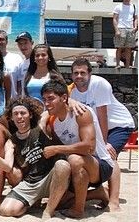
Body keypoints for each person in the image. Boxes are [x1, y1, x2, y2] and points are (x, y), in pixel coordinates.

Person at [0, 97, 70, 219]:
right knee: (6, 210)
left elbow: (50, 110)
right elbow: (7, 166)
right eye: (15, 114)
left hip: (51, 178)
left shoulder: (41, 127)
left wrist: (72, 101)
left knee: (62, 165)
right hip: (31, 182)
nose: (19, 117)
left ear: (30, 115)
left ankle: (49, 210)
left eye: (23, 113)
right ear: (11, 118)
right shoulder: (11, 142)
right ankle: (31, 203)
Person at [70, 58, 135, 212]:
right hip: (98, 128)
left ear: (90, 74)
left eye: (83, 73)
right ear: (72, 75)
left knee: (109, 156)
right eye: (76, 73)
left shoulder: (99, 84)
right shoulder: (73, 92)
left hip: (119, 124)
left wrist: (104, 143)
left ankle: (114, 201)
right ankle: (101, 192)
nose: (79, 76)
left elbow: (102, 116)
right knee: (97, 159)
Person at [41, 80, 114, 218]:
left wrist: (56, 149)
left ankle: (78, 210)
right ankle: (97, 193)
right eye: (44, 99)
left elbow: (89, 148)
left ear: (63, 98)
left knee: (75, 159)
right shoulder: (54, 123)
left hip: (100, 164)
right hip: (78, 165)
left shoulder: (81, 112)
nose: (46, 103)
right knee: (61, 202)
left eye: (51, 99)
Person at [0, 30, 23, 97]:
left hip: (12, 103)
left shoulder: (17, 58)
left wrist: (18, 101)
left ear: (7, 42)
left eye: (2, 39)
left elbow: (20, 84)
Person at [112, 0, 137, 69]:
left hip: (130, 29)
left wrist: (135, 27)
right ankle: (118, 64)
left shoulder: (133, 6)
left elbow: (136, 18)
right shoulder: (118, 6)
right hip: (121, 28)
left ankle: (127, 65)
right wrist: (117, 30)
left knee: (129, 48)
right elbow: (114, 19)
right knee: (119, 47)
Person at [12, 32, 34, 97]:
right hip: (26, 103)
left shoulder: (38, 60)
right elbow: (20, 87)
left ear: (32, 43)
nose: (23, 46)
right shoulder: (22, 64)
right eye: (20, 44)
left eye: (25, 43)